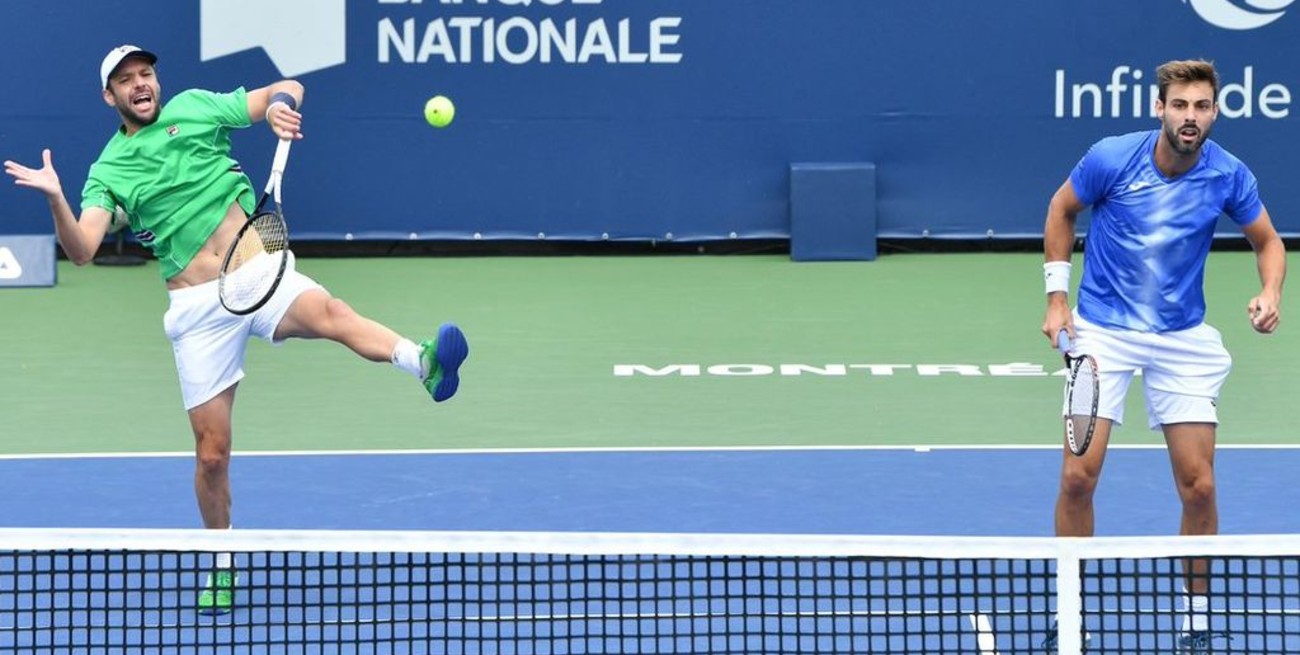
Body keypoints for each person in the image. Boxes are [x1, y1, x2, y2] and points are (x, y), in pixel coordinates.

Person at [3, 45, 470, 614]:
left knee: (332, 313)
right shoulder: (108, 170)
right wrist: (57, 199)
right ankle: (222, 561)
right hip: (197, 307)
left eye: (146, 73)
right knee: (211, 456)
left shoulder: (197, 107)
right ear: (110, 96)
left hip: (256, 268)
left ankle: (423, 362)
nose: (140, 84)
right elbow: (82, 250)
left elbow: (288, 86)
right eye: (125, 80)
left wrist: (275, 108)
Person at [1038, 59, 1285, 653]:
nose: (1190, 117)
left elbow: (1268, 240)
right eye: (1180, 105)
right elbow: (1061, 209)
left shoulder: (1228, 175)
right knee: (1077, 477)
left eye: (1201, 106)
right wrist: (1056, 300)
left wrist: (1271, 291)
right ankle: (1069, 612)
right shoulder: (1111, 158)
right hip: (1102, 333)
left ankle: (1195, 623)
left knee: (1199, 486)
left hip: (1181, 339)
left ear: (1215, 112)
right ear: (1160, 109)